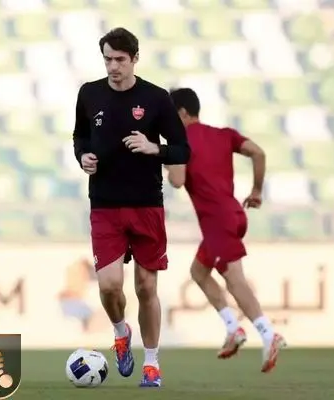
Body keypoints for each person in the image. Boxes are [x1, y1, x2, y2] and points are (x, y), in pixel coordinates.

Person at [72, 28, 190, 387]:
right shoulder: (89, 93)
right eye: (107, 59)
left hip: (146, 204)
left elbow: (183, 149)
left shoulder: (155, 98)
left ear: (135, 59)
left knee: (146, 287)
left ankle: (151, 363)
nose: (113, 66)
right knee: (109, 286)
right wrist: (83, 156)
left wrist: (156, 149)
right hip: (105, 204)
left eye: (120, 59)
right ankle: (121, 331)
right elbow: (80, 136)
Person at [166, 88, 286, 373]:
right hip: (234, 214)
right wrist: (256, 190)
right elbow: (258, 152)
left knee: (234, 280)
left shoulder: (180, 140)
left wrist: (167, 158)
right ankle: (233, 328)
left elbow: (177, 180)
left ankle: (268, 334)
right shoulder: (223, 134)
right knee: (198, 272)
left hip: (217, 221)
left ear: (182, 112)